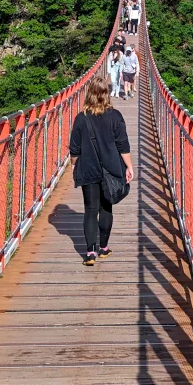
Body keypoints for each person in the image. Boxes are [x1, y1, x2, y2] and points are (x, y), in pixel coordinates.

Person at [69, 75, 133, 265]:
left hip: (88, 169)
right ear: (107, 94)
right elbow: (123, 145)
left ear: (88, 94)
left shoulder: (81, 118)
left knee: (90, 209)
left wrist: (74, 165)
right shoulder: (115, 116)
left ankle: (90, 253)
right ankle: (103, 248)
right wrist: (129, 166)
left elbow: (75, 149)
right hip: (110, 168)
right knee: (106, 207)